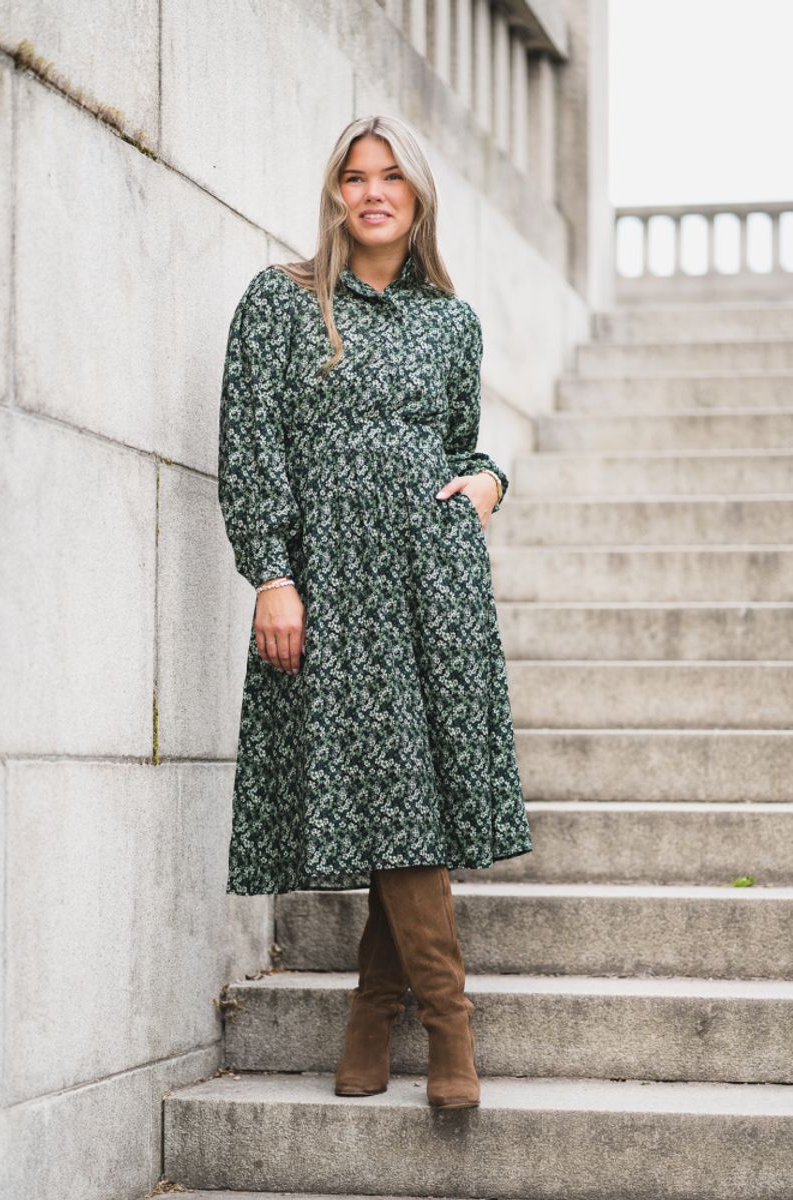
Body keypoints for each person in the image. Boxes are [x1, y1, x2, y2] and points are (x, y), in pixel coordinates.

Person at [218, 114, 533, 1110]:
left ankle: (374, 1011)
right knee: (397, 786)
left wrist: (489, 483)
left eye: (391, 176)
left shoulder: (451, 322)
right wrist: (272, 575)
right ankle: (447, 1023)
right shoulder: (280, 303)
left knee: (412, 792)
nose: (373, 192)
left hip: (434, 583)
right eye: (355, 177)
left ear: (417, 196)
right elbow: (250, 446)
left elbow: (460, 445)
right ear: (335, 195)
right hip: (336, 587)